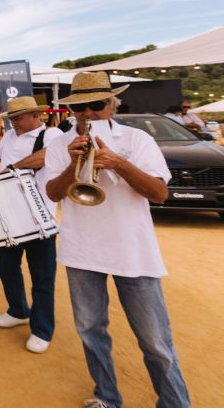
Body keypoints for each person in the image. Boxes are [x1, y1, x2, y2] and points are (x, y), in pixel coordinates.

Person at [45, 71, 190, 408]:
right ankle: (107, 397)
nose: (88, 114)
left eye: (96, 105)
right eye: (80, 107)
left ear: (111, 106)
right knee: (91, 332)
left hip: (133, 253)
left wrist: (119, 163)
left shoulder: (137, 139)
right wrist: (73, 163)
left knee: (155, 340)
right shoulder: (58, 144)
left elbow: (159, 193)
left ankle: (174, 403)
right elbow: (53, 193)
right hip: (81, 252)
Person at [0, 96, 64, 354]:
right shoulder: (9, 136)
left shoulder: (52, 134)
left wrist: (14, 167)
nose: (12, 122)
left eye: (17, 118)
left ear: (35, 115)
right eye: (11, 118)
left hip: (39, 215)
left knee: (42, 276)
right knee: (6, 266)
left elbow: (44, 157)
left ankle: (42, 329)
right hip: (9, 213)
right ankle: (18, 310)